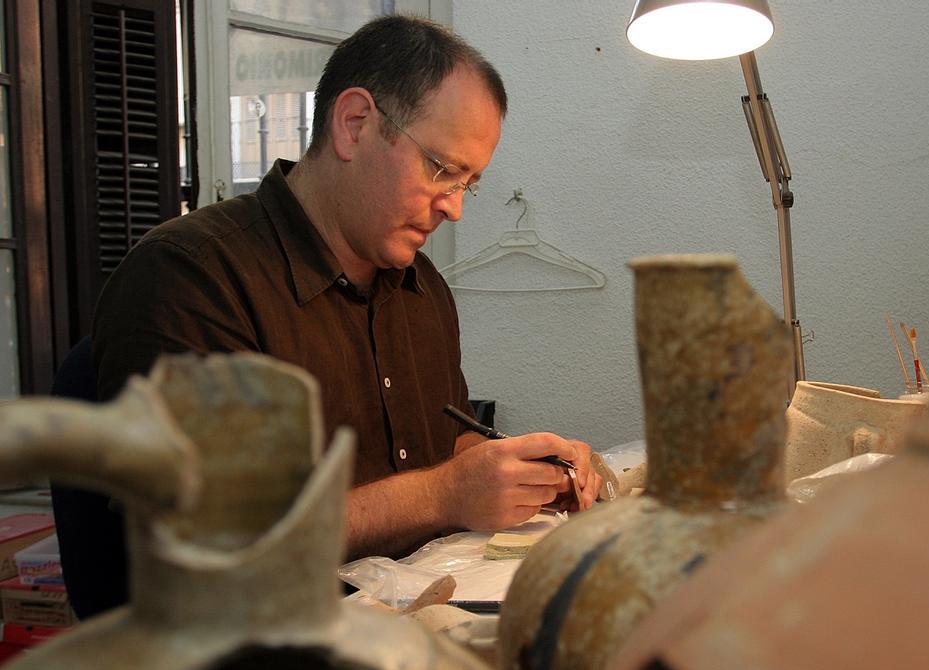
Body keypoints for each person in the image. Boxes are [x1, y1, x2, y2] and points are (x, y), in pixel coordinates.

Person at [90, 15, 601, 579]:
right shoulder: (190, 276)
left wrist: (518, 473)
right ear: (355, 123)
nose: (454, 207)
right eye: (442, 171)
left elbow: (438, 449)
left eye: (467, 185)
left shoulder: (421, 286)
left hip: (407, 612)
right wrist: (443, 494)